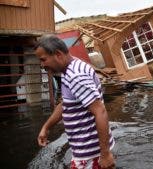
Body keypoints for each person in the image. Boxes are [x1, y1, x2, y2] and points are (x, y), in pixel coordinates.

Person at [35, 35, 115, 169]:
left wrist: (105, 154)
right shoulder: (71, 68)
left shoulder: (75, 76)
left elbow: (100, 112)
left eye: (43, 60)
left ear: (58, 55)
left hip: (91, 154)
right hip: (87, 150)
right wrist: (46, 127)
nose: (42, 65)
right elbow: (66, 103)